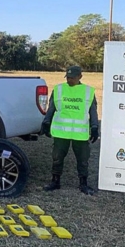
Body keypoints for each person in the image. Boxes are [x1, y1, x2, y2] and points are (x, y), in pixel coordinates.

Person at [41, 65, 99, 195]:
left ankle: (83, 184)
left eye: (72, 78)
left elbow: (93, 111)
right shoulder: (59, 89)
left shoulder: (88, 91)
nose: (69, 80)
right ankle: (55, 181)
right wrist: (46, 122)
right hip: (61, 132)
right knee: (57, 158)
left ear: (80, 77)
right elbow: (52, 108)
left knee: (83, 160)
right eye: (68, 77)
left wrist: (94, 126)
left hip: (80, 134)